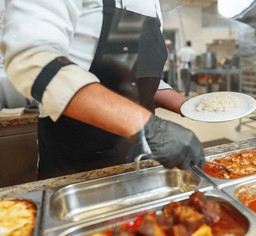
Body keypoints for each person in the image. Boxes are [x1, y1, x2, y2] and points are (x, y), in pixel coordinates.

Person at [0, 0, 205, 179]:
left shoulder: (150, 3)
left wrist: (188, 105)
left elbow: (134, 76)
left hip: (141, 159)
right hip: (78, 164)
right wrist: (151, 127)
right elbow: (33, 60)